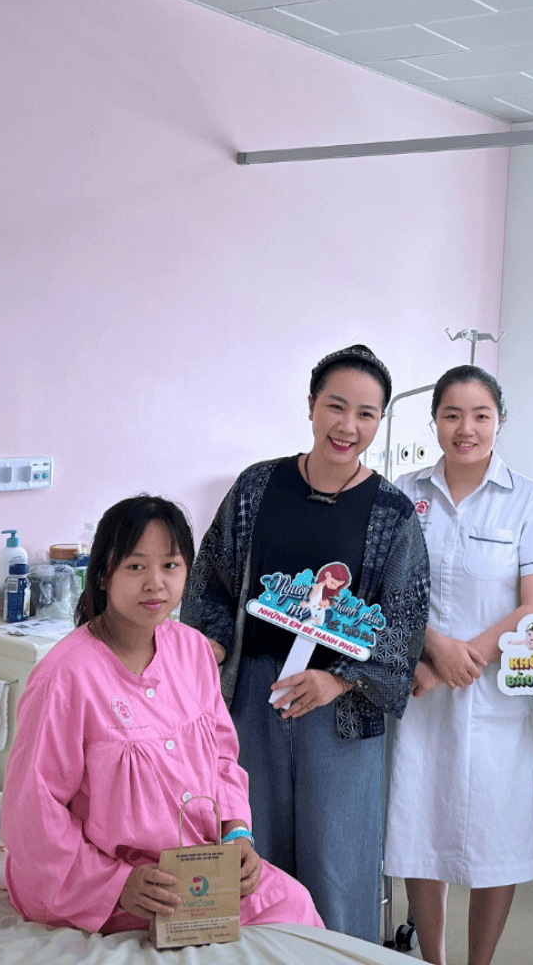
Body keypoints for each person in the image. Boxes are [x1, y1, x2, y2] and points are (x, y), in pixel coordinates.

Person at [179, 345, 430, 941]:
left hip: (339, 712)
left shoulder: (393, 513)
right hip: (250, 697)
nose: (348, 426)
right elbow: (209, 578)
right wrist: (212, 647)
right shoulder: (256, 487)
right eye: (336, 407)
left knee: (337, 866)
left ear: (381, 420)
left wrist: (337, 679)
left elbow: (404, 620)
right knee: (248, 852)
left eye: (366, 414)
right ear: (312, 405)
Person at [0, 495, 322, 934]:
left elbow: (221, 758)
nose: (155, 583)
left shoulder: (193, 651)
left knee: (294, 905)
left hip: (194, 868)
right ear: (103, 574)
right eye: (135, 566)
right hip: (93, 882)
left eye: (170, 565)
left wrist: (236, 833)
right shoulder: (65, 676)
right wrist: (116, 884)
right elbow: (31, 809)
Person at [384, 364, 533, 965]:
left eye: (480, 415)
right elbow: (384, 591)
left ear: (501, 422)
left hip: (495, 693)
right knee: (419, 831)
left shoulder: (528, 501)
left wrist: (461, 660)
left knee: (496, 841)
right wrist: (432, 648)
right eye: (452, 415)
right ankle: (432, 959)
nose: (466, 429)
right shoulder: (401, 494)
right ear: (434, 420)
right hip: (420, 690)